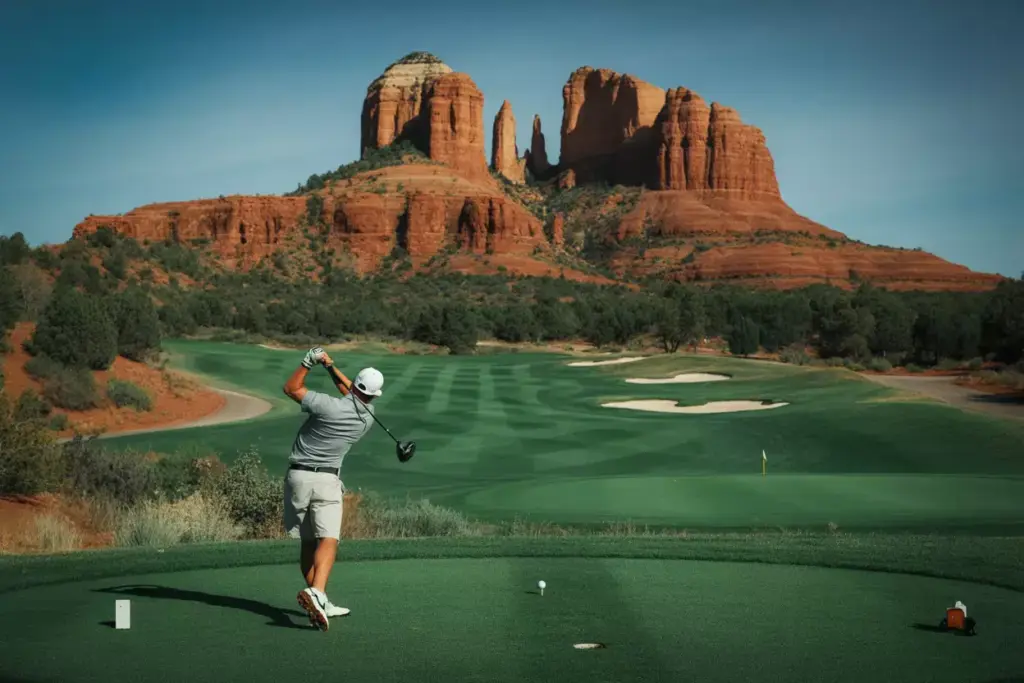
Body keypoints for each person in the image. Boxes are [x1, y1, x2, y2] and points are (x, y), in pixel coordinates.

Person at [282, 346, 384, 632]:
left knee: (307, 542)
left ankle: (318, 597)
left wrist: (309, 362)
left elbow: (291, 388)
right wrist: (330, 367)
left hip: (298, 478)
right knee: (329, 539)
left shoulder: (325, 405)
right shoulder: (367, 417)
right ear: (374, 395)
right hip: (327, 482)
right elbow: (353, 392)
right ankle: (318, 595)